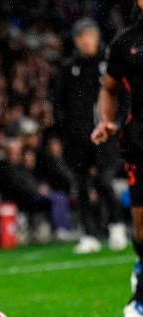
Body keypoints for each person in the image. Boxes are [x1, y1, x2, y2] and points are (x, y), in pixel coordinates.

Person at [53, 18, 127, 254]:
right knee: (81, 185)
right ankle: (89, 234)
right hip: (77, 139)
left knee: (104, 180)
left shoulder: (109, 66)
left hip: (105, 135)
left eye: (90, 35)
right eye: (82, 37)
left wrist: (116, 124)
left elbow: (122, 97)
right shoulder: (68, 69)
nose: (87, 41)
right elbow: (59, 105)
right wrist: (63, 133)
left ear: (97, 37)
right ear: (76, 41)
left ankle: (117, 227)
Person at [91, 0, 143, 317]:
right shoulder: (125, 43)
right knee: (141, 228)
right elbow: (108, 88)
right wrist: (106, 121)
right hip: (140, 141)